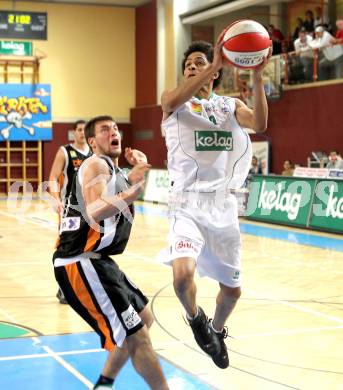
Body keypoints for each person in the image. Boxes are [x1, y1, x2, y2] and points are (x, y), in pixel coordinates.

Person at [160, 39, 269, 369]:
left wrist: (259, 77)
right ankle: (196, 320)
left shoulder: (229, 106)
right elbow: (176, 95)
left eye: (199, 62)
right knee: (181, 279)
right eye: (188, 64)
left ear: (213, 74)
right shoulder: (173, 103)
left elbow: (260, 125)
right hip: (186, 204)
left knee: (233, 293)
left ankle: (216, 331)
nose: (191, 66)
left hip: (222, 206)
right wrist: (214, 64)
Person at [53, 115, 169, 390]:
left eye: (115, 128)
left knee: (143, 317)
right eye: (104, 130)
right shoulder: (95, 163)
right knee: (137, 336)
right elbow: (95, 210)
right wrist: (132, 190)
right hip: (79, 263)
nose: (113, 132)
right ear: (92, 142)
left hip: (98, 261)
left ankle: (104, 383)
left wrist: (135, 172)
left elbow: (114, 192)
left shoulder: (110, 169)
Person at [49, 119, 92, 304]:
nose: (83, 133)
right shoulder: (65, 152)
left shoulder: (93, 153)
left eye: (85, 130)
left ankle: (82, 285)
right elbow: (52, 177)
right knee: (66, 247)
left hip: (90, 208)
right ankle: (63, 287)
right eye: (80, 130)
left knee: (87, 247)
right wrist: (55, 198)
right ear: (74, 132)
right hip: (69, 207)